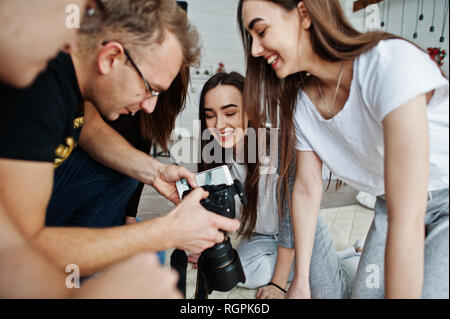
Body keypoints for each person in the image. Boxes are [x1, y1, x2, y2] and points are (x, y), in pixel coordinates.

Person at [0, 0, 240, 281]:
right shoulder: (38, 89)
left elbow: (88, 127)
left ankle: (81, 269)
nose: (151, 107)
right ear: (111, 58)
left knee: (125, 176)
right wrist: (165, 232)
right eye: (151, 89)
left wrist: (156, 172)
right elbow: (17, 249)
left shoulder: (74, 77)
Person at [237, 0, 449, 299]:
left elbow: (409, 216)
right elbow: (308, 189)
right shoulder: (300, 104)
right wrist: (300, 282)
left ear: (305, 14)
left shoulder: (389, 63)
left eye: (261, 31)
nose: (255, 50)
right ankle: (353, 258)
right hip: (391, 206)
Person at [187, 71, 363, 299]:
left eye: (230, 112)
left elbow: (291, 219)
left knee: (329, 293)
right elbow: (216, 209)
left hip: (299, 230)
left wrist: (279, 285)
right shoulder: (214, 154)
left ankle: (352, 258)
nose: (219, 124)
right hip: (261, 235)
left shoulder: (280, 146)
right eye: (210, 115)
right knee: (241, 273)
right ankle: (331, 258)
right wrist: (209, 247)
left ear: (250, 109)